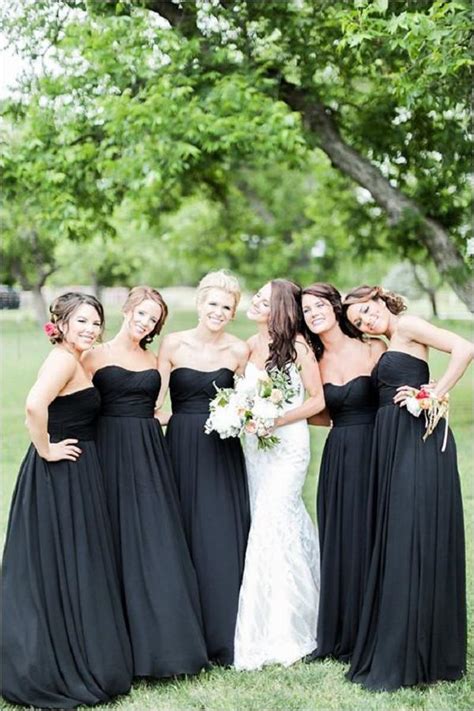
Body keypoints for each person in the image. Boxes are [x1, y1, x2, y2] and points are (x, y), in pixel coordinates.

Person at [1, 292, 132, 709]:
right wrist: (46, 449)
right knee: (65, 560)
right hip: (60, 472)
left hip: (78, 473)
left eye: (96, 322)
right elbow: (33, 405)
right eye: (82, 322)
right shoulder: (61, 359)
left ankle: (79, 647)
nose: (91, 329)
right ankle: (53, 660)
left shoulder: (75, 358)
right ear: (61, 323)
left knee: (72, 562)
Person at [343, 285, 472, 691]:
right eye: (359, 321)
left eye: (365, 311)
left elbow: (465, 347)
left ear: (380, 300)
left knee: (412, 530)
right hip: (392, 443)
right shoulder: (389, 342)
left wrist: (435, 391)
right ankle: (407, 636)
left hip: (417, 439)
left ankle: (417, 649)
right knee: (401, 533)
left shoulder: (409, 324)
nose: (366, 321)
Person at [83, 286, 208, 679]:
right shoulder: (93, 355)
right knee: (111, 537)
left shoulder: (154, 360)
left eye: (153, 319)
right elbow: (76, 401)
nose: (145, 322)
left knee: (153, 538)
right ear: (127, 309)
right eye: (142, 313)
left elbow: (160, 408)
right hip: (106, 449)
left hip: (148, 454)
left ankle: (163, 646)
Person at [156, 270, 250, 666]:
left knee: (219, 535)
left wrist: (244, 414)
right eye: (212, 303)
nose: (218, 311)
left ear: (232, 313)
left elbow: (247, 403)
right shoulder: (173, 343)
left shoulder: (238, 351)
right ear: (199, 304)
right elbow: (154, 403)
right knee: (180, 531)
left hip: (221, 449)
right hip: (179, 444)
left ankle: (224, 634)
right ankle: (182, 631)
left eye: (226, 307)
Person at [233, 279, 324, 671]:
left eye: (265, 300)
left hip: (287, 445)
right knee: (270, 523)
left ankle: (286, 629)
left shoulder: (299, 346)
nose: (255, 301)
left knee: (273, 520)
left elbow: (318, 400)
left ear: (282, 308)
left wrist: (277, 418)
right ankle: (301, 609)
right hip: (255, 447)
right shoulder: (250, 345)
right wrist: (239, 414)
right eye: (256, 295)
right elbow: (238, 394)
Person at [301, 282, 385, 663]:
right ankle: (338, 634)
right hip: (339, 453)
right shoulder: (313, 361)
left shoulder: (372, 348)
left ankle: (375, 627)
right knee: (339, 536)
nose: (313, 313)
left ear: (335, 307)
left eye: (319, 305)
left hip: (376, 450)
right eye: (306, 309)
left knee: (372, 534)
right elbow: (317, 410)